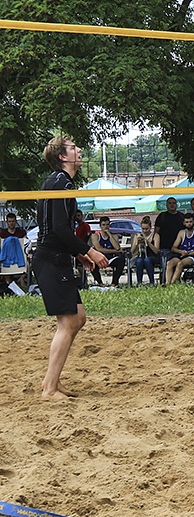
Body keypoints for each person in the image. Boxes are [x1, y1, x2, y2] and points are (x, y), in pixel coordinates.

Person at [32, 135, 109, 400]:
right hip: (50, 258)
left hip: (56, 256)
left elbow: (56, 230)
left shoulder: (58, 182)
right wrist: (89, 250)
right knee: (67, 323)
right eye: (74, 147)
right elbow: (59, 230)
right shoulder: (60, 183)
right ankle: (49, 389)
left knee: (78, 318)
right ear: (63, 157)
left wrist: (78, 256)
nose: (79, 150)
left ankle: (51, 382)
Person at [164, 214, 194, 285]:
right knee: (170, 263)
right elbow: (173, 248)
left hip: (193, 256)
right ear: (184, 223)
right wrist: (181, 251)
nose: (189, 224)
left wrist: (192, 253)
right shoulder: (181, 232)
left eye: (190, 221)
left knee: (180, 264)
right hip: (182, 254)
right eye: (187, 222)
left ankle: (172, 283)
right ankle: (167, 282)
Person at [88, 216, 126, 286]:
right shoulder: (95, 236)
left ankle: (114, 283)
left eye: (107, 225)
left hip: (110, 258)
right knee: (91, 262)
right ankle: (100, 283)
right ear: (100, 226)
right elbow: (99, 249)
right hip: (100, 258)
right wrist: (114, 251)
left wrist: (109, 234)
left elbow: (117, 248)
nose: (106, 227)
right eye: (103, 225)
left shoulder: (114, 236)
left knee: (121, 260)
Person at [154, 197, 184, 283]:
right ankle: (165, 281)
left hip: (179, 248)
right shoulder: (162, 216)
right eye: (170, 203)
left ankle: (173, 281)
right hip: (164, 247)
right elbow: (156, 232)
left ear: (176, 205)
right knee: (166, 264)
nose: (172, 205)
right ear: (166, 205)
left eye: (174, 203)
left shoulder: (181, 216)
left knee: (176, 264)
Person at [131, 216, 160, 285]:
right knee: (139, 261)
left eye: (147, 229)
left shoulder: (155, 236)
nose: (144, 231)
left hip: (153, 256)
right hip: (142, 255)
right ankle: (139, 282)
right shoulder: (138, 235)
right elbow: (132, 251)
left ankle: (152, 282)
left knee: (147, 260)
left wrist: (147, 242)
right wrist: (137, 243)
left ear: (150, 227)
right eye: (143, 229)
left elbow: (156, 251)